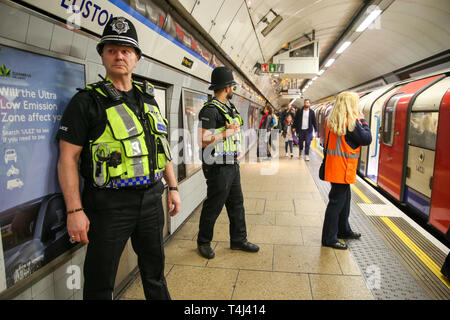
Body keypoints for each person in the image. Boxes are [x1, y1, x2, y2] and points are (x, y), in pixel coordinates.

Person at [56, 17, 180, 300]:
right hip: (108, 206)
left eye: (126, 50)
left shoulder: (148, 99)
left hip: (151, 200)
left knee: (155, 273)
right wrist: (75, 211)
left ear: (137, 58)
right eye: (111, 49)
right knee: (100, 282)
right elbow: (67, 159)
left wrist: (172, 187)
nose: (119, 55)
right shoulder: (86, 102)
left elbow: (161, 147)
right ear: (102, 56)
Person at [197, 66, 259, 259]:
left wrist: (235, 143)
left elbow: (235, 128)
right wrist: (227, 133)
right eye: (232, 86)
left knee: (237, 204)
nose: (233, 89)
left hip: (231, 163)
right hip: (217, 166)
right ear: (226, 88)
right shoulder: (210, 110)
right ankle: (203, 242)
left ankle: (238, 240)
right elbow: (203, 139)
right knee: (214, 205)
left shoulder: (229, 107)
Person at [321, 91, 372, 250]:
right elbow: (366, 139)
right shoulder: (351, 123)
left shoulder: (332, 120)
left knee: (344, 201)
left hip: (335, 167)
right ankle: (329, 238)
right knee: (336, 204)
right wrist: (363, 120)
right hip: (343, 168)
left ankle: (343, 230)